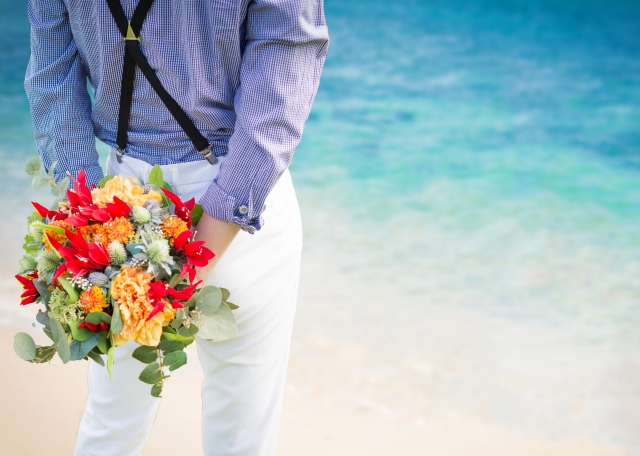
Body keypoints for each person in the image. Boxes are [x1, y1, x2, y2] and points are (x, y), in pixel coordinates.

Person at [24, 0, 329, 454]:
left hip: (120, 204)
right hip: (239, 198)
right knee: (241, 431)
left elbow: (54, 80)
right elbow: (282, 75)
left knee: (111, 424)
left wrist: (88, 216)